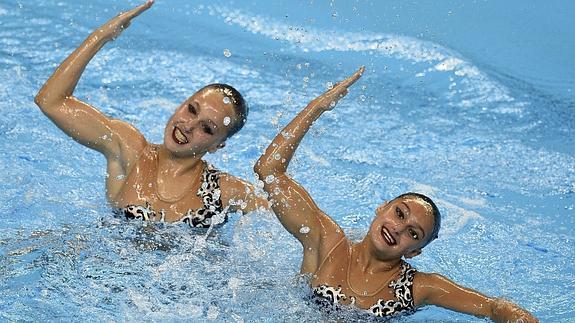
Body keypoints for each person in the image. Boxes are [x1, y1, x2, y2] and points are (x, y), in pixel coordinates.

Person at [254, 67, 538, 322]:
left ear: (414, 251)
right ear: (381, 208)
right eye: (399, 213)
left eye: (413, 233)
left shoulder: (418, 288)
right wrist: (318, 106)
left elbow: (491, 308)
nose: (398, 228)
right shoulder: (327, 242)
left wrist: (511, 314)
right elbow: (269, 171)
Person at [35, 0, 266, 227]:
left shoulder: (224, 190)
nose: (188, 126)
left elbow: (293, 223)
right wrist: (102, 35)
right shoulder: (130, 150)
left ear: (217, 145)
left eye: (207, 128)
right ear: (181, 103)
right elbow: (51, 102)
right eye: (191, 109)